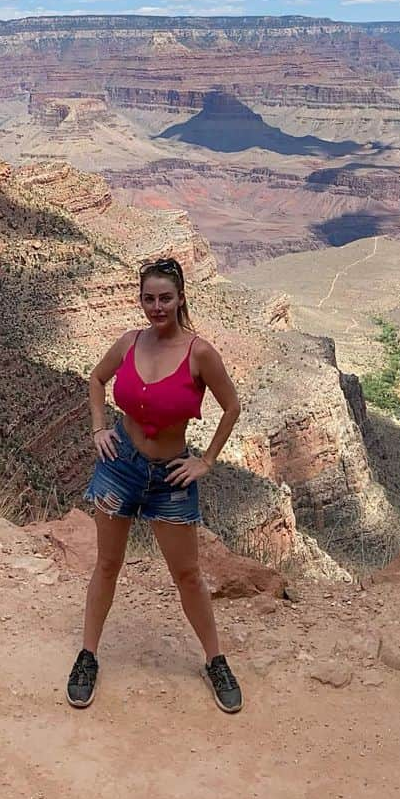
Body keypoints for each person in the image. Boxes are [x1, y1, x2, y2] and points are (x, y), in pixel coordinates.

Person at [66, 256, 244, 714]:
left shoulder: (199, 353)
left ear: (181, 297)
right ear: (140, 300)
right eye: (149, 298)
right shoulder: (129, 342)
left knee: (187, 575)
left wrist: (206, 461)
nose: (156, 306)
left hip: (170, 477)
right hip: (119, 465)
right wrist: (99, 427)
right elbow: (96, 378)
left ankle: (215, 660)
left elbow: (231, 407)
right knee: (107, 564)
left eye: (165, 297)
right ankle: (88, 657)